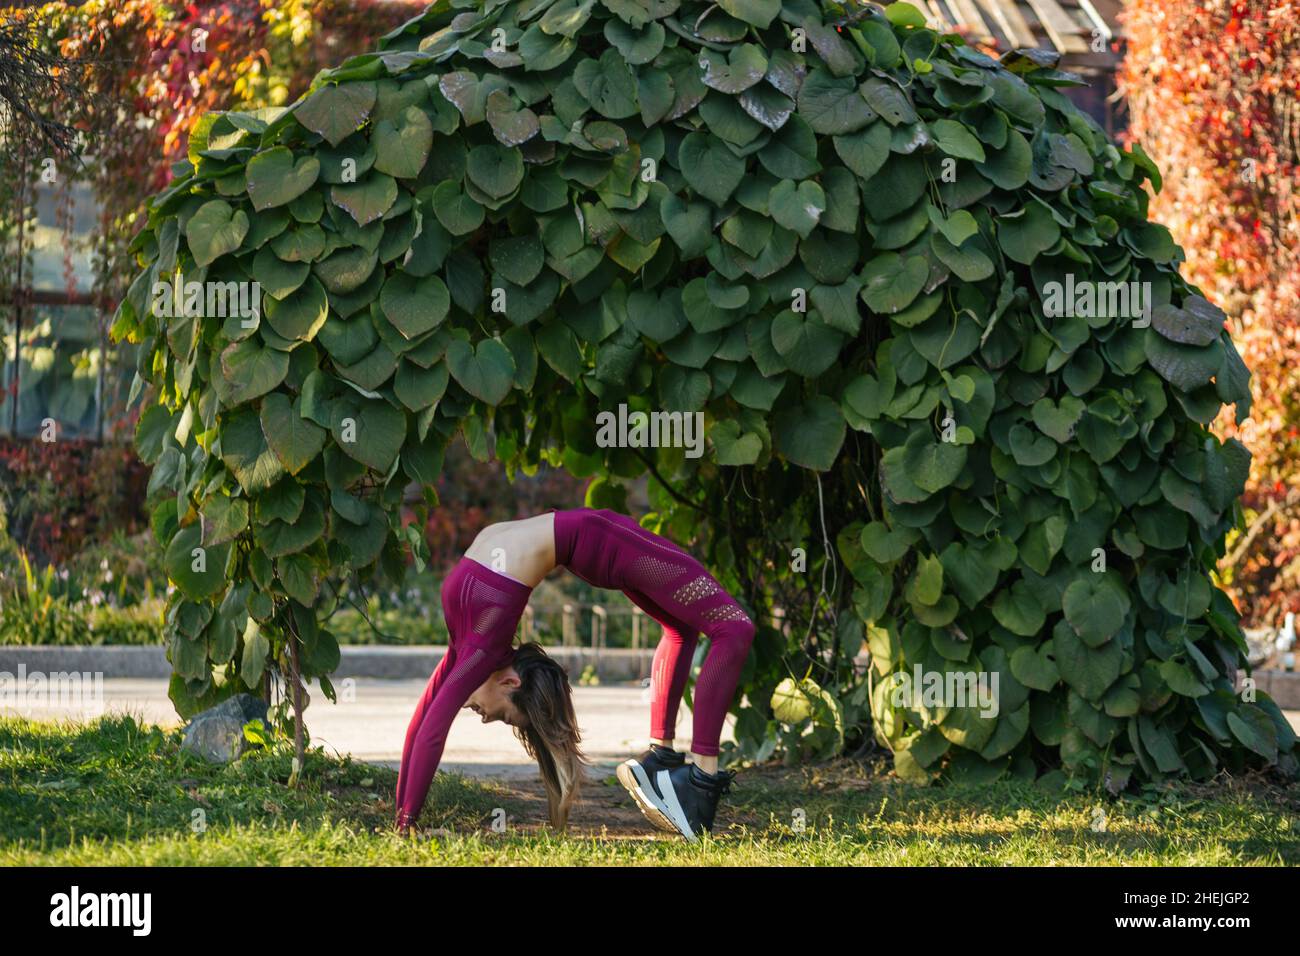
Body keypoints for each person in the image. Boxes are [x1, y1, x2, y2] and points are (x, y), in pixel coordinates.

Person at [394, 508, 757, 841]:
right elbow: (425, 725)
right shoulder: (479, 640)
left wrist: (405, 824)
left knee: (719, 629)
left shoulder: (481, 645)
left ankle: (684, 772)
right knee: (710, 629)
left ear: (511, 681)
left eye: (505, 716)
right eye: (505, 718)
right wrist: (405, 823)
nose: (489, 719)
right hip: (599, 543)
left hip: (604, 540)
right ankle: (682, 771)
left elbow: (428, 729)